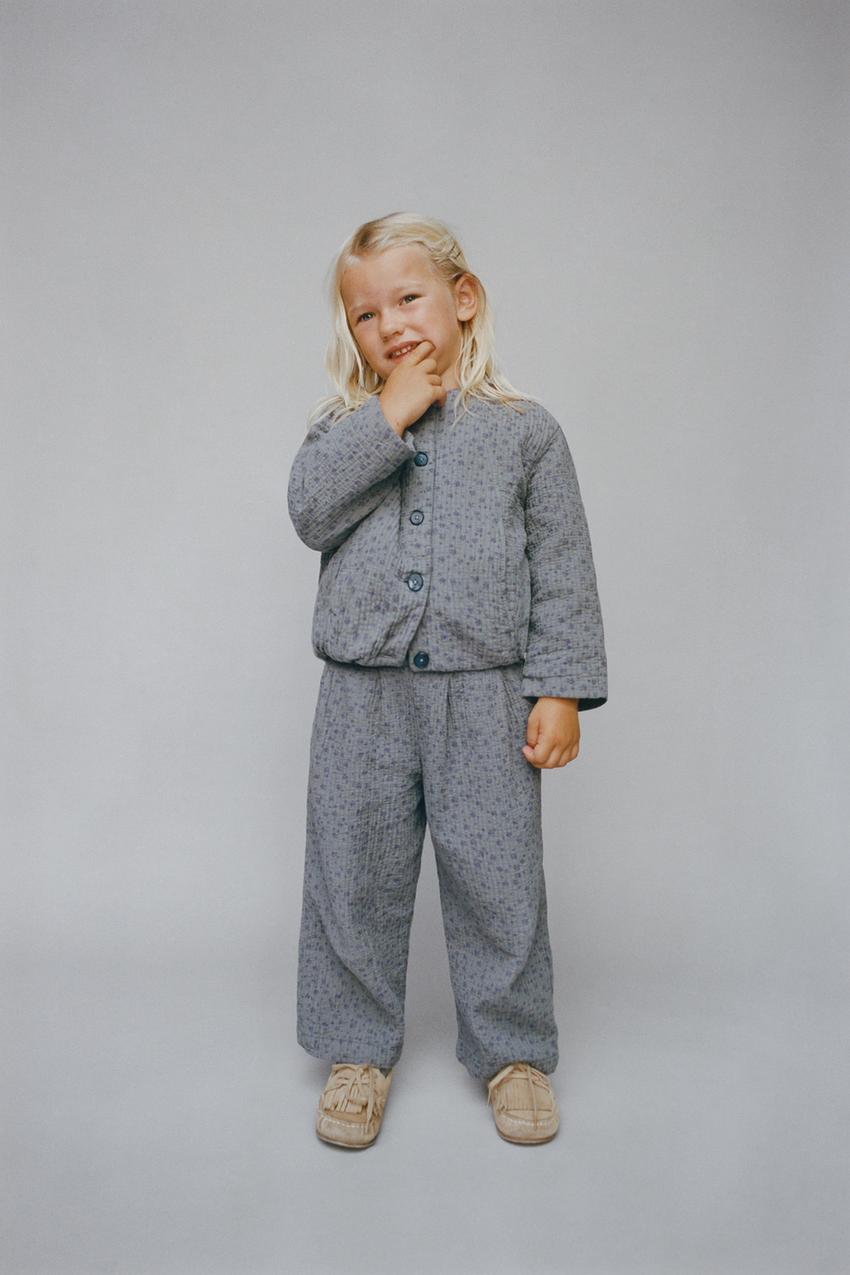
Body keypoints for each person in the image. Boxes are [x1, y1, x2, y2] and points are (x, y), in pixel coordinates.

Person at [287, 211, 608, 1148]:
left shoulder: (526, 433)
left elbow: (563, 569)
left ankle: (514, 1051)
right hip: (362, 696)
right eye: (365, 313)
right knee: (351, 874)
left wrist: (560, 688)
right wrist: (385, 415)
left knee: (499, 881)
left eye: (408, 298)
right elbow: (308, 511)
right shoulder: (342, 429)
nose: (389, 324)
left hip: (487, 695)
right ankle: (356, 1051)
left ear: (463, 299)